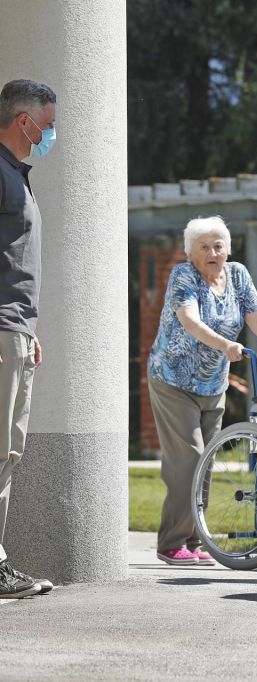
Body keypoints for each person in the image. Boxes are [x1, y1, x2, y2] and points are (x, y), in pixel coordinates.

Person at [147, 216, 257, 566]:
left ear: (228, 249)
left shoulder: (237, 276)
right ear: (190, 251)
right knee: (189, 457)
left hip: (213, 383)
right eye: (203, 247)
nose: (212, 252)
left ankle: (194, 539)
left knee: (206, 459)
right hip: (173, 378)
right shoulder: (183, 276)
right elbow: (190, 320)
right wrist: (225, 345)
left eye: (218, 245)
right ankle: (171, 542)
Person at [0, 79, 57, 599]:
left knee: (7, 451)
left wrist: (25, 329)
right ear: (25, 121)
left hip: (15, 330)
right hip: (2, 329)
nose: (50, 134)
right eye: (48, 125)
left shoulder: (16, 175)